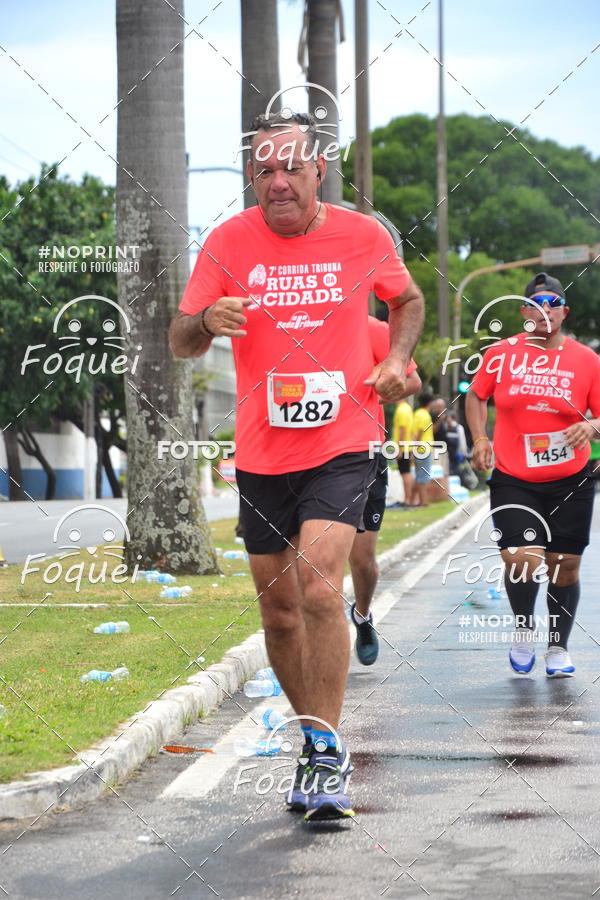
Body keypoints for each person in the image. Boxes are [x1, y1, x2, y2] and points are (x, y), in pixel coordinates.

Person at [169, 112, 425, 820]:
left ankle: (325, 751)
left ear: (318, 170)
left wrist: (398, 359)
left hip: (343, 441)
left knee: (317, 589)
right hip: (260, 453)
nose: (276, 181)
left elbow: (406, 299)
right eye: (262, 170)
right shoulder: (225, 243)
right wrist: (205, 323)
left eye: (290, 168)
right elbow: (180, 339)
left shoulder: (362, 236)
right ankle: (313, 737)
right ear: (252, 177)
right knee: (279, 613)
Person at [467, 272, 600, 677]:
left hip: (571, 476)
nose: (545, 311)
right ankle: (524, 628)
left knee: (564, 564)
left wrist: (592, 426)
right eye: (536, 304)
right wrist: (479, 438)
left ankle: (557, 648)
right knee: (521, 558)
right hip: (514, 475)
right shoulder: (502, 354)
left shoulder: (587, 360)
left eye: (553, 304)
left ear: (564, 312)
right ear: (524, 311)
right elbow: (476, 394)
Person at [349, 316, 421, 666]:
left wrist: (385, 386)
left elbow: (413, 380)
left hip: (362, 455)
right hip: (302, 458)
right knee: (315, 562)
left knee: (362, 561)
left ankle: (362, 616)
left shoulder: (373, 330)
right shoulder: (291, 322)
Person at [411, 391, 435, 507]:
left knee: (419, 475)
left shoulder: (417, 413)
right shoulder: (425, 415)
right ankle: (423, 502)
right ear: (430, 403)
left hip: (418, 448)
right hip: (424, 449)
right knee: (424, 476)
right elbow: (421, 432)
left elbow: (413, 432)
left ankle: (412, 500)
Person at [392, 397, 414, 505]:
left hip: (403, 446)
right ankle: (408, 498)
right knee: (407, 472)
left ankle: (407, 499)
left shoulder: (401, 410)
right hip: (407, 445)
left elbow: (402, 430)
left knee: (405, 473)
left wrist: (399, 449)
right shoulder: (408, 408)